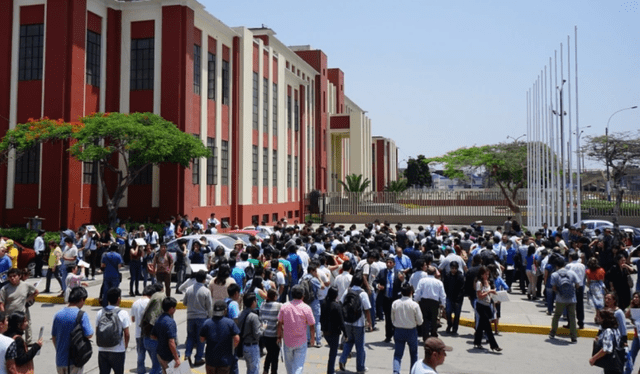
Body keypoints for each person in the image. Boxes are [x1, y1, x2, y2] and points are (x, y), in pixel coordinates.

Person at [52, 287, 94, 374]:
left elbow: (54, 336)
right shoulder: (82, 315)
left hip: (60, 360)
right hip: (75, 361)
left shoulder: (58, 315)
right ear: (82, 299)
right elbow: (89, 334)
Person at [277, 285, 316, 374]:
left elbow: (279, 323)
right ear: (303, 295)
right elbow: (312, 325)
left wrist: (278, 337)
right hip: (301, 342)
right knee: (298, 366)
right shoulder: (306, 308)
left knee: (289, 367)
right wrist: (313, 338)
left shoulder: (284, 306)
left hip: (287, 341)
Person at [338, 275, 372, 374]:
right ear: (362, 283)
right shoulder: (362, 293)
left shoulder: (347, 291)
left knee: (348, 342)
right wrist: (369, 322)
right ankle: (360, 367)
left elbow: (341, 302)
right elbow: (367, 309)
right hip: (359, 323)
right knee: (360, 346)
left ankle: (342, 360)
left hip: (347, 322)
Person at [96, 288, 131, 374]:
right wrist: (125, 346)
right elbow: (127, 334)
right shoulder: (123, 313)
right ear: (119, 299)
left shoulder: (100, 312)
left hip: (102, 349)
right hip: (118, 350)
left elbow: (97, 331)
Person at [199, 300, 240, 374]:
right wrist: (232, 348)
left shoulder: (207, 323)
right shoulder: (230, 323)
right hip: (224, 361)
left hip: (210, 360)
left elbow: (202, 339)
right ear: (225, 310)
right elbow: (237, 338)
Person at [391, 283, 423, 374]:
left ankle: (396, 372)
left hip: (398, 330)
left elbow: (392, 319)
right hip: (411, 331)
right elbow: (420, 321)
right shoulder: (414, 305)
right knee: (414, 354)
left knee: (397, 355)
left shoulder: (395, 303)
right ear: (411, 292)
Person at [183, 270, 212, 368]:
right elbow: (209, 307)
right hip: (202, 318)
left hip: (190, 317)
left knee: (190, 337)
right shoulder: (206, 291)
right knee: (201, 339)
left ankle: (187, 355)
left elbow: (184, 302)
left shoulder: (189, 289)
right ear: (204, 279)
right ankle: (198, 358)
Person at [0, 269, 38, 344]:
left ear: (19, 276)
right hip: (9, 316)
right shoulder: (5, 288)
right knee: (9, 336)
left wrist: (27, 300)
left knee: (26, 327)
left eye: (14, 276)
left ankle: (28, 342)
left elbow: (36, 292)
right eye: (10, 277)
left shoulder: (26, 285)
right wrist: (3, 316)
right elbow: (1, 303)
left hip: (21, 315)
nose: (12, 278)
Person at [473, 266, 501, 352]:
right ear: (481, 275)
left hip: (487, 305)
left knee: (481, 325)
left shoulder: (487, 282)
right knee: (488, 326)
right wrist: (489, 291)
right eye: (485, 274)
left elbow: (488, 295)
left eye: (488, 274)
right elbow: (480, 296)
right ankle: (494, 346)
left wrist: (495, 297)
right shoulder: (479, 283)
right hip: (481, 306)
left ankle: (477, 342)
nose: (487, 276)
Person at [376, 257, 403, 343]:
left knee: (396, 318)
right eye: (387, 262)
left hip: (396, 299)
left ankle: (397, 336)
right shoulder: (382, 272)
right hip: (386, 298)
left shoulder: (398, 272)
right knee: (388, 319)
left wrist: (402, 280)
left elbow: (405, 284)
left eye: (390, 263)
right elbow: (375, 281)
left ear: (394, 264)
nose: (388, 264)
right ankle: (388, 336)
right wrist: (378, 286)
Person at [414, 267, 446, 340]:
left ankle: (425, 337)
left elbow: (418, 292)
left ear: (426, 272)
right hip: (434, 303)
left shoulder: (422, 281)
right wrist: (443, 304)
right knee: (434, 320)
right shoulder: (439, 282)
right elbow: (442, 295)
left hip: (424, 302)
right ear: (435, 273)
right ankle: (433, 335)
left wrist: (416, 300)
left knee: (425, 320)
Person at [151, 297, 181, 373]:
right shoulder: (170, 322)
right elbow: (171, 342)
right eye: (174, 308)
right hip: (169, 356)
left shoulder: (158, 319)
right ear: (171, 308)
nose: (175, 310)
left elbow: (152, 336)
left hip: (160, 354)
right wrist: (176, 358)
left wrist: (161, 338)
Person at [589, 309, 623, 374]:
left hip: (611, 364)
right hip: (617, 363)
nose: (598, 319)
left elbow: (606, 349)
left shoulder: (608, 331)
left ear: (604, 319)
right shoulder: (615, 329)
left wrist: (593, 358)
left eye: (599, 317)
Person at [237, 292, 264, 374]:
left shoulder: (241, 313)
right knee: (254, 370)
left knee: (250, 369)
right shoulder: (254, 316)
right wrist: (263, 328)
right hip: (252, 346)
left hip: (244, 346)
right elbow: (257, 335)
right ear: (253, 303)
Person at [320, 286, 345, 374]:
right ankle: (330, 371)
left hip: (326, 332)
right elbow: (341, 322)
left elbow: (321, 318)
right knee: (333, 353)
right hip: (334, 333)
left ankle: (330, 370)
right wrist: (345, 334)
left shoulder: (324, 303)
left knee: (332, 350)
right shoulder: (337, 306)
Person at [131, 285, 154, 374]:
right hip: (149, 333)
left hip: (138, 333)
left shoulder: (135, 303)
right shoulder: (151, 303)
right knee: (153, 354)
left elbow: (132, 319)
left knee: (140, 354)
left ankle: (140, 370)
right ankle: (156, 369)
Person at [260, 289, 282, 374]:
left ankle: (265, 370)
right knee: (275, 355)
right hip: (274, 335)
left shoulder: (262, 304)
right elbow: (280, 319)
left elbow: (261, 317)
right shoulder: (279, 305)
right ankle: (273, 371)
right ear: (275, 297)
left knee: (270, 352)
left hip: (265, 334)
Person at [565, 251, 586, 329]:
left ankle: (570, 322)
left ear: (570, 258)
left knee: (570, 305)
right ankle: (581, 322)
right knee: (580, 305)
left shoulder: (568, 266)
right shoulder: (582, 266)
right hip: (580, 286)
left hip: (571, 286)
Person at [442, 261, 464, 334]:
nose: (454, 270)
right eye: (452, 268)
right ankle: (449, 325)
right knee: (448, 312)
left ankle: (455, 328)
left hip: (458, 299)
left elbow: (462, 289)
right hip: (449, 297)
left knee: (457, 314)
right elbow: (445, 287)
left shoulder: (460, 277)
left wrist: (459, 298)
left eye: (455, 268)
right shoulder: (447, 276)